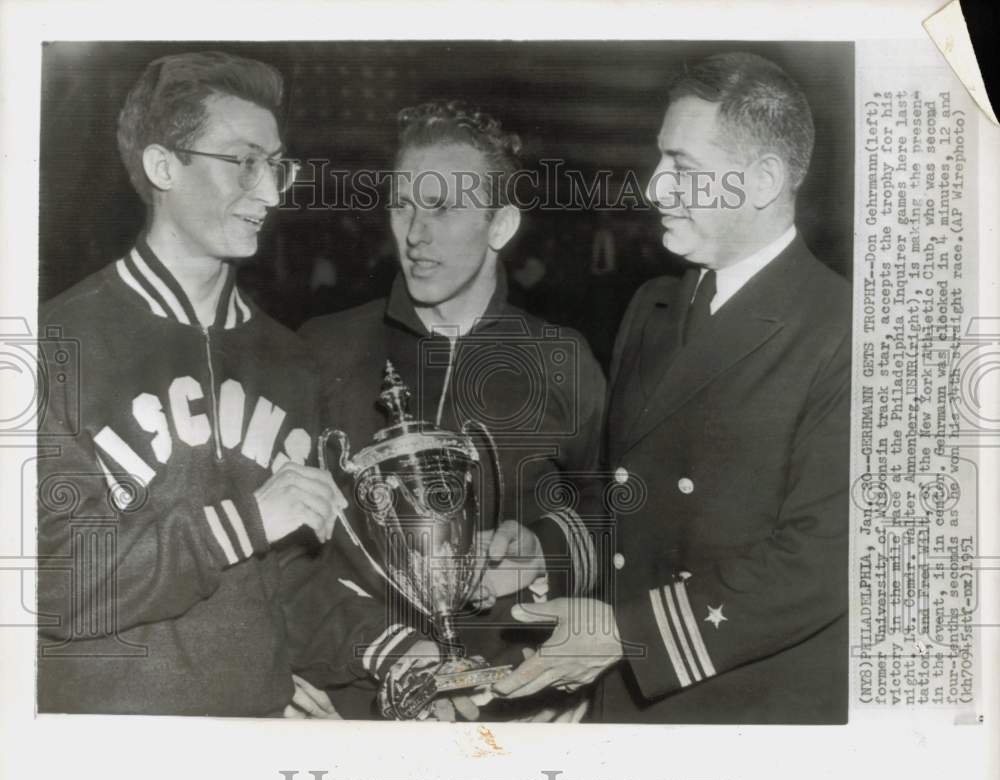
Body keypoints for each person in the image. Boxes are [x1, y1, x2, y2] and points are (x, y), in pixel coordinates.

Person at [36, 51, 429, 716]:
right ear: (164, 167)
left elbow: (284, 580)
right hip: (107, 747)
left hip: (252, 741)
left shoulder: (288, 359)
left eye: (277, 164)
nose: (272, 191)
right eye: (244, 161)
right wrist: (246, 521)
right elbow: (58, 581)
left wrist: (395, 650)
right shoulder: (51, 345)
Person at [489, 52, 851, 724]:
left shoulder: (847, 329)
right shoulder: (653, 307)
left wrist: (630, 636)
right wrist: (550, 549)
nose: (655, 188)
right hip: (629, 700)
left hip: (747, 716)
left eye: (682, 166)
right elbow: (628, 500)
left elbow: (821, 563)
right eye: (660, 161)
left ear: (765, 179)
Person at [299, 100, 606, 719]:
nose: (415, 234)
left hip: (506, 716)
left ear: (501, 226)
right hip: (351, 706)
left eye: (442, 208)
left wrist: (545, 552)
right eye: (403, 205)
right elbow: (282, 560)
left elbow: (614, 518)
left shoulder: (561, 362)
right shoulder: (319, 349)